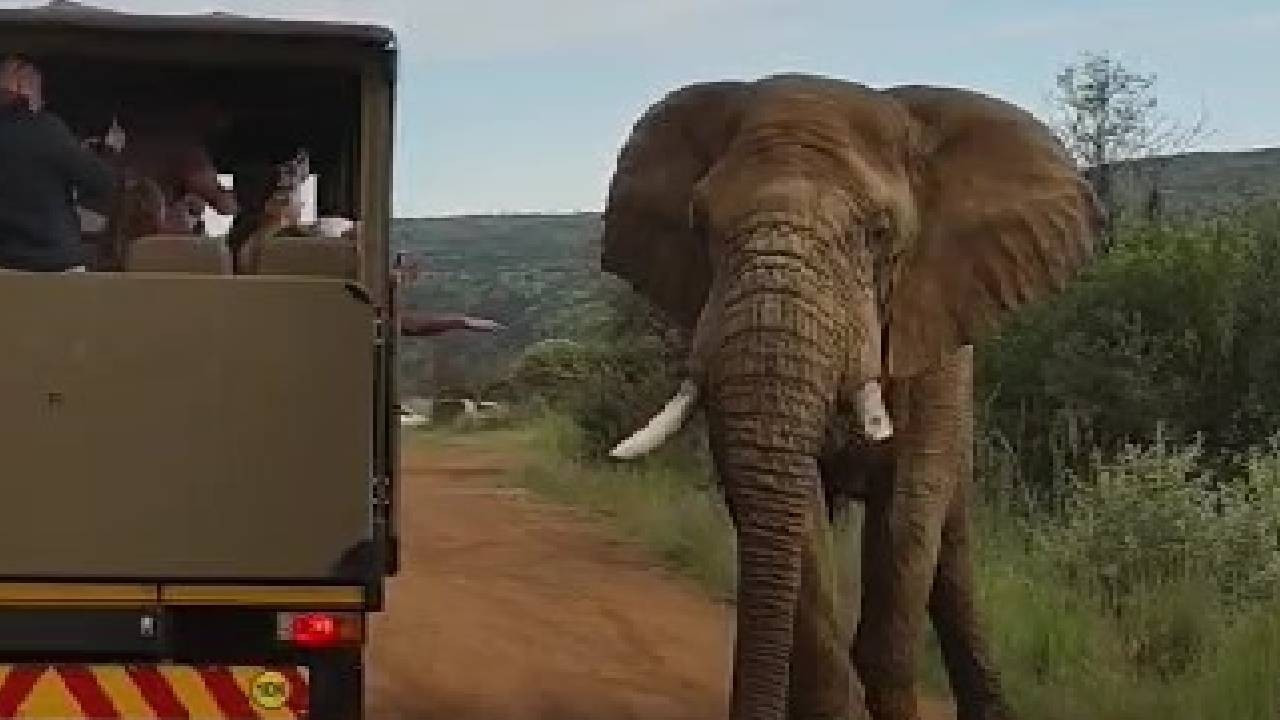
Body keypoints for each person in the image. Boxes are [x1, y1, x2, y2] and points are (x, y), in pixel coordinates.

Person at [0, 54, 121, 272]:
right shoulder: (46, 129)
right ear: (23, 88)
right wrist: (109, 151)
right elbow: (102, 182)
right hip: (53, 261)